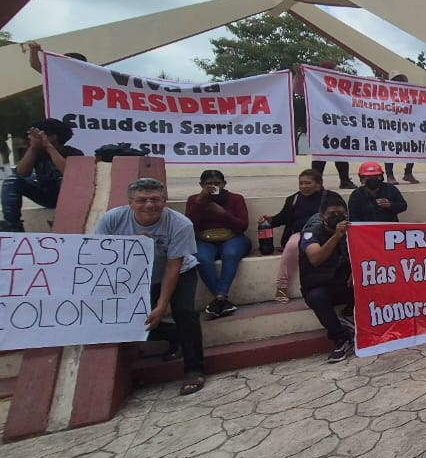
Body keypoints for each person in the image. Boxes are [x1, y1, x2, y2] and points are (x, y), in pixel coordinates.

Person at [96, 178, 204, 395]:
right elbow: (100, 254)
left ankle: (195, 369)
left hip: (179, 271)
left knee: (185, 313)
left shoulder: (180, 224)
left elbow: (174, 266)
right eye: (141, 200)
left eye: (155, 199)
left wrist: (162, 304)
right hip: (135, 274)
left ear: (165, 201)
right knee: (131, 318)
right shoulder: (112, 220)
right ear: (130, 202)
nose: (149, 205)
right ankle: (175, 336)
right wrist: (128, 245)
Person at [265, 170, 345, 303]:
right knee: (292, 245)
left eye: (308, 183)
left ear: (319, 184)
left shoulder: (331, 197)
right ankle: (282, 286)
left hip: (326, 232)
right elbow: (283, 217)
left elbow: (342, 214)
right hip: (300, 234)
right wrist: (270, 220)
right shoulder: (293, 199)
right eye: (301, 183)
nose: (303, 186)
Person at [185, 170, 250, 317]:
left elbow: (242, 225)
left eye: (217, 183)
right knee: (201, 259)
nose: (213, 187)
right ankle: (221, 299)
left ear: (224, 184)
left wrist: (223, 214)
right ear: (201, 185)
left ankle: (219, 297)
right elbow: (189, 226)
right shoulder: (194, 199)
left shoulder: (236, 199)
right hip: (205, 239)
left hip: (234, 237)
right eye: (208, 184)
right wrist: (199, 204)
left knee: (230, 254)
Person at [1, 118, 84, 231]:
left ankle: (63, 221)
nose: (31, 138)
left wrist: (49, 147)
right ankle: (13, 225)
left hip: (67, 196)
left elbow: (69, 173)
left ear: (53, 137)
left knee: (64, 179)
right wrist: (33, 149)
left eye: (37, 134)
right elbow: (22, 173)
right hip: (45, 193)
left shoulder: (74, 153)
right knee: (12, 180)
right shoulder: (37, 152)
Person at [299, 197, 356, 362]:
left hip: (343, 282)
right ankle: (341, 338)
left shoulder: (352, 230)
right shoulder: (311, 232)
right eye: (332, 213)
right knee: (317, 298)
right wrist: (336, 237)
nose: (337, 216)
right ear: (322, 216)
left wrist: (355, 271)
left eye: (341, 213)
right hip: (319, 284)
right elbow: (315, 258)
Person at [294, 62, 355, 188]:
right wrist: (299, 75)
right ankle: (318, 182)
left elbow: (360, 91)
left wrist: (380, 83)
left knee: (340, 153)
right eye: (335, 69)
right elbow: (299, 90)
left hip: (338, 122)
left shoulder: (341, 84)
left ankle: (344, 180)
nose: (338, 71)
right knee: (320, 154)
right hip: (321, 123)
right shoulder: (315, 83)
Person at [383, 73, 418, 184]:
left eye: (402, 80)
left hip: (406, 126)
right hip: (390, 125)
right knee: (390, 150)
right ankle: (389, 175)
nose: (400, 83)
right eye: (397, 80)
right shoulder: (385, 93)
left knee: (413, 147)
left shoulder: (409, 94)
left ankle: (408, 173)